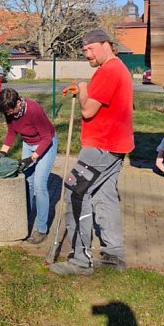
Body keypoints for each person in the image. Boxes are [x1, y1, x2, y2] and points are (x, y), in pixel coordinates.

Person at [50, 28, 134, 276]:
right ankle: (114, 254)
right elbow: (96, 102)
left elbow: (88, 111)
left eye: (90, 49)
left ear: (106, 45)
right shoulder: (115, 69)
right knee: (105, 199)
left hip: (102, 146)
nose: (87, 54)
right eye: (84, 50)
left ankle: (80, 260)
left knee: (75, 192)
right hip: (115, 145)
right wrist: (84, 89)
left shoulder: (109, 71)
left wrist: (83, 86)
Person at [0, 88, 58, 244]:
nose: (8, 114)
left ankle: (42, 229)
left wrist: (32, 158)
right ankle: (25, 219)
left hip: (46, 144)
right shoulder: (9, 110)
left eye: (10, 110)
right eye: (6, 112)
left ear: (18, 103)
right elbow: (12, 132)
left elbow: (46, 138)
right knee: (27, 182)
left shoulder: (34, 110)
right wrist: (3, 151)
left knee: (39, 185)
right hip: (28, 143)